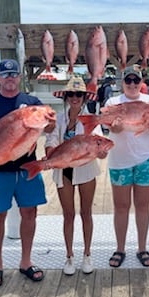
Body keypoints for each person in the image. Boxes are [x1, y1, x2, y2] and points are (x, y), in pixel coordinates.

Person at [0, 59, 55, 287]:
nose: (10, 78)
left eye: (14, 74)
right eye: (6, 74)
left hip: (27, 168)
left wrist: (49, 122)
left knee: (30, 213)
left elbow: (48, 126)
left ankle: (26, 261)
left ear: (20, 77)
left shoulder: (32, 103)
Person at [46, 76, 109, 275]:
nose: (75, 98)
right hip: (63, 170)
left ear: (84, 97)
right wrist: (49, 153)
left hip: (86, 168)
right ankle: (69, 256)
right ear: (65, 97)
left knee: (86, 213)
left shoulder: (91, 118)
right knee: (68, 215)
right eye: (71, 94)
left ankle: (87, 255)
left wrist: (102, 151)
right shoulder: (58, 118)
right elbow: (50, 140)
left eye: (79, 94)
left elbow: (100, 141)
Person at [106, 65, 149, 268]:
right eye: (128, 80)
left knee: (142, 206)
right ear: (122, 82)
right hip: (119, 161)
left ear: (141, 83)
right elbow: (109, 125)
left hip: (146, 159)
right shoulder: (113, 102)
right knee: (121, 207)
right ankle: (120, 248)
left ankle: (142, 248)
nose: (132, 84)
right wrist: (113, 127)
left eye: (136, 81)